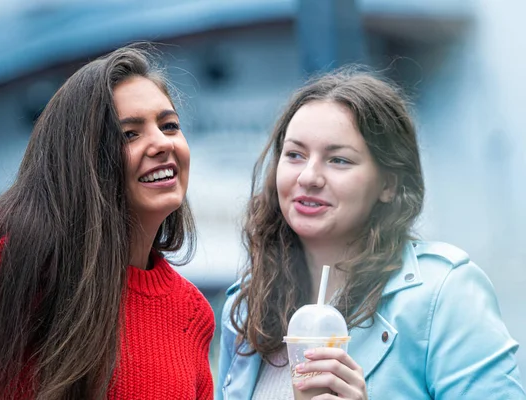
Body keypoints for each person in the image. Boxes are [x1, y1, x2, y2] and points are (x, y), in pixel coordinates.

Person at [0, 45, 215, 400]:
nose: (161, 143)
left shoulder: (192, 313)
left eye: (169, 126)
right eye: (129, 134)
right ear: (84, 159)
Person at [217, 67, 525, 399]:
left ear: (389, 185)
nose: (308, 176)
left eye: (338, 160)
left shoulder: (445, 294)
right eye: (295, 155)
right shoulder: (247, 306)